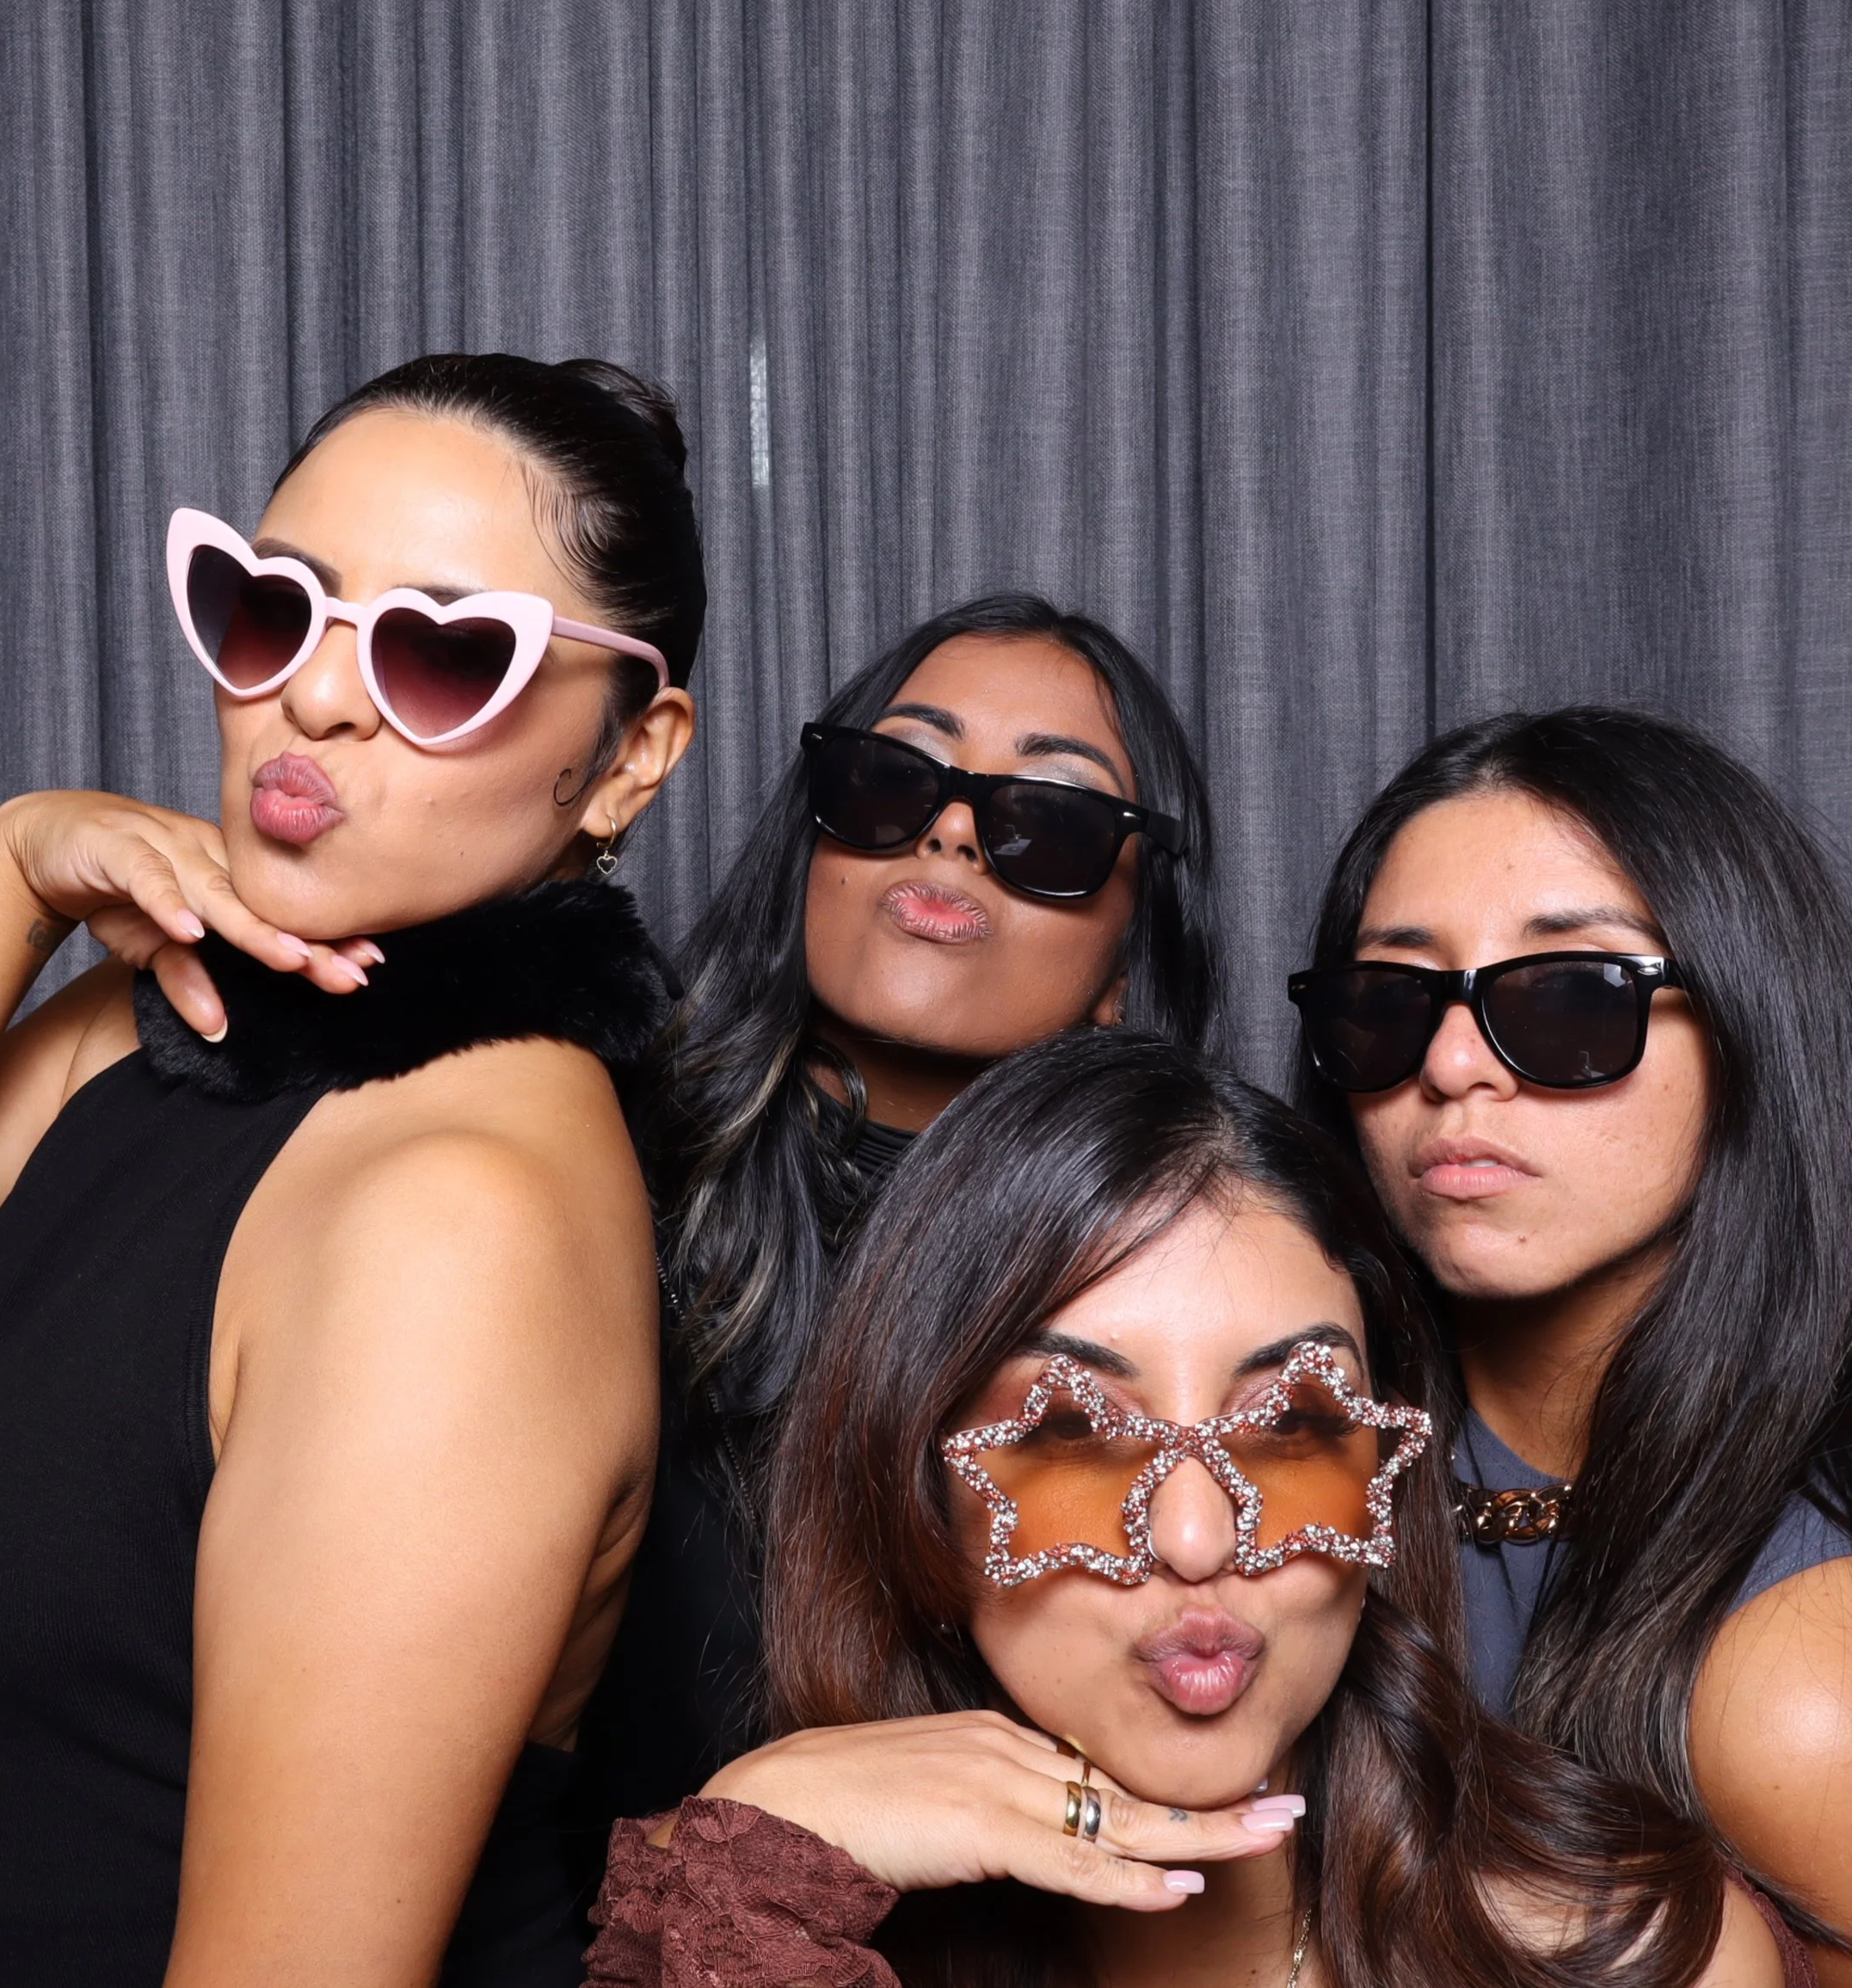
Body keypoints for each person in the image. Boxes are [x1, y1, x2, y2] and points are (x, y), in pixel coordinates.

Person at [0, 353, 702, 1986]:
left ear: (633, 754)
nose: (310, 695)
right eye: (272, 606)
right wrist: (14, 866)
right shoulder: (154, 1013)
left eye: (444, 653)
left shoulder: (463, 1220)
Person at [587, 1031, 1794, 1987]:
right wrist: (757, 1866)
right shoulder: (756, 1918)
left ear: (1382, 1464)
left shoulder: (1629, 1957)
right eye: (1072, 1436)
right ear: (918, 1488)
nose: (1200, 1540)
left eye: (1290, 1426)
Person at [576, 596, 1220, 1828]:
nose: (955, 835)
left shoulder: (1185, 1294)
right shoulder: (586, 1163)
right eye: (893, 779)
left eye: (1053, 821)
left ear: (1127, 971)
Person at [1287, 706, 1852, 1973]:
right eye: (1391, 998)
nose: (1451, 1065)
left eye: (1569, 998)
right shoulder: (1274, 1460)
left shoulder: (1812, 1685)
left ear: (1750, 1029)